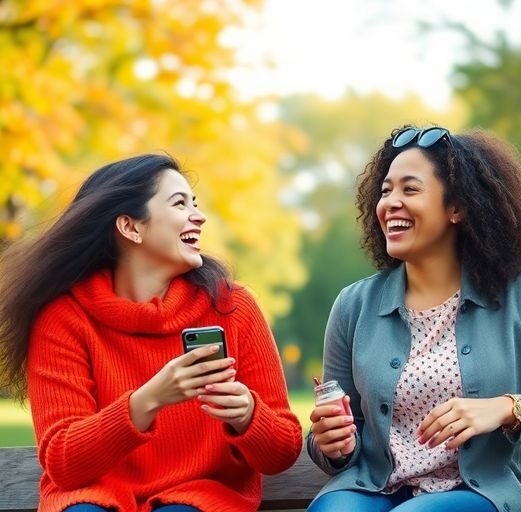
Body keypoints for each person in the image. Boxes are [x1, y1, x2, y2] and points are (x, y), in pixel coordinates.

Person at [306, 125, 521, 512]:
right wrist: (331, 443)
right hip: (372, 489)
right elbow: (337, 437)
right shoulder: (353, 304)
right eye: (385, 191)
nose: (390, 203)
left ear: (457, 208)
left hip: (479, 494)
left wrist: (507, 407)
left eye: (410, 190)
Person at [0, 154, 302, 512]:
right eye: (179, 203)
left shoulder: (232, 307)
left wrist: (247, 413)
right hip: (93, 498)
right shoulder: (64, 317)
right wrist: (150, 399)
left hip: (197, 499)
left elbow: (282, 451)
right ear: (131, 227)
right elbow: (64, 463)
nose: (199, 215)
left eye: (195, 203)